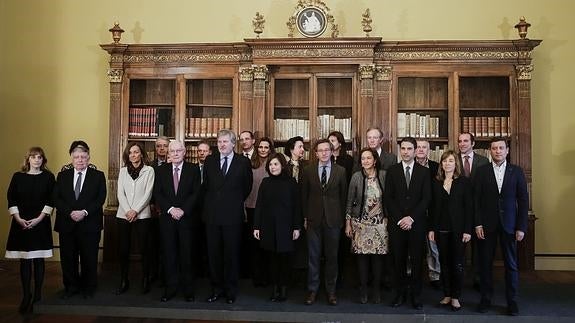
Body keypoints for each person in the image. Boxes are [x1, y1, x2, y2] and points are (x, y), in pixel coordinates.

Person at [474, 137, 528, 316]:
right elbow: (477, 201)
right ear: (490, 151)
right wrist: (478, 223)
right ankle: (485, 300)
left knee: (511, 265)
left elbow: (523, 200)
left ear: (507, 151)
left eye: (501, 148)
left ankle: (512, 302)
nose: (498, 151)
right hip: (487, 225)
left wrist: (521, 227)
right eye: (494, 148)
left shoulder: (517, 172)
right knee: (485, 265)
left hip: (510, 226)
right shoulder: (481, 172)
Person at [203, 129, 253, 304]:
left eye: (225, 142)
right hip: (212, 216)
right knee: (214, 254)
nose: (222, 145)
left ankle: (231, 290)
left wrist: (232, 200)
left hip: (233, 215)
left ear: (233, 143)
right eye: (219, 142)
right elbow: (206, 186)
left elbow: (247, 187)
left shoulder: (243, 162)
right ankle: (216, 289)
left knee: (231, 254)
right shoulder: (209, 161)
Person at [54, 140, 106, 299]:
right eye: (76, 156)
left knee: (89, 257)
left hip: (90, 224)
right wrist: (70, 212)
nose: (80, 160)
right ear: (71, 157)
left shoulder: (98, 176)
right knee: (68, 258)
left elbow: (100, 198)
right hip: (67, 223)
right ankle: (70, 287)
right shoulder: (62, 175)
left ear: (88, 157)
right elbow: (56, 198)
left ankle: (88, 287)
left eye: (83, 156)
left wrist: (84, 212)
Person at [5, 147, 55, 313]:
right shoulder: (17, 177)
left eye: (40, 157)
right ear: (28, 159)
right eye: (34, 157)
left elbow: (51, 199)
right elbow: (11, 197)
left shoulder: (49, 177)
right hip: (21, 223)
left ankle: (38, 295)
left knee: (39, 260)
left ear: (43, 160)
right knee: (24, 261)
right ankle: (26, 295)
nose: (37, 160)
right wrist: (18, 218)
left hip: (40, 223)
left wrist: (39, 219)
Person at [384, 137, 431, 310]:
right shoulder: (392, 170)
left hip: (416, 224)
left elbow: (426, 199)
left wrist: (411, 218)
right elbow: (388, 198)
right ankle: (399, 294)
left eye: (409, 149)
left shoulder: (424, 172)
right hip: (397, 225)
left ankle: (416, 296)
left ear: (415, 150)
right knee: (398, 261)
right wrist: (400, 219)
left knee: (417, 261)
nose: (405, 152)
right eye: (402, 148)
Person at [301, 139, 348, 306]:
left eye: (327, 150)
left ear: (332, 151)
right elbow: (303, 196)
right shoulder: (307, 170)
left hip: (333, 220)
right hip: (313, 219)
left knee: (332, 257)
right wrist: (305, 217)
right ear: (316, 153)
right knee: (313, 257)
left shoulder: (341, 171)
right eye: (320, 150)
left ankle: (331, 291)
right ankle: (312, 290)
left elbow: (344, 197)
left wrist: (342, 219)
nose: (324, 153)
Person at [153, 140, 200, 302]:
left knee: (187, 255)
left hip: (187, 219)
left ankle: (188, 290)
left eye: (178, 151)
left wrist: (183, 210)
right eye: (172, 151)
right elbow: (157, 193)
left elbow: (196, 193)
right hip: (167, 219)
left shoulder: (193, 170)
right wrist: (171, 209)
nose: (175, 153)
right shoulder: (160, 170)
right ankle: (170, 288)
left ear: (184, 152)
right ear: (168, 154)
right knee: (169, 254)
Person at [428, 150, 473, 311]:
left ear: (456, 164)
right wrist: (431, 228)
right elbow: (432, 208)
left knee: (457, 264)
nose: (447, 164)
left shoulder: (464, 182)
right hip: (440, 229)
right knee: (444, 263)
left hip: (459, 230)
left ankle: (455, 296)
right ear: (441, 164)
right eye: (445, 161)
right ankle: (446, 294)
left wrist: (468, 230)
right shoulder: (436, 182)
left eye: (451, 161)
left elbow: (469, 208)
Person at [253, 153, 301, 302]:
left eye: (276, 164)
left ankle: (284, 289)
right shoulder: (265, 182)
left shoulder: (291, 182)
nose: (273, 167)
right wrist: (257, 227)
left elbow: (297, 207)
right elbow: (259, 205)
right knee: (272, 259)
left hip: (286, 227)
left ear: (282, 165)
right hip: (268, 226)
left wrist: (297, 227)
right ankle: (275, 289)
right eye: (271, 165)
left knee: (285, 260)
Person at [344, 148, 388, 304]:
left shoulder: (383, 175)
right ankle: (363, 290)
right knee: (362, 259)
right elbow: (349, 201)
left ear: (375, 160)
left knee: (377, 260)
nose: (366, 161)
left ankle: (376, 290)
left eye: (369, 158)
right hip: (360, 224)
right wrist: (348, 223)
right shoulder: (356, 176)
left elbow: (389, 198)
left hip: (379, 224)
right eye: (363, 159)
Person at [114, 142, 155, 295]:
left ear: (142, 154)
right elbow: (120, 194)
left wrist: (135, 210)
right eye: (130, 152)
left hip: (142, 215)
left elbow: (148, 194)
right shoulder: (123, 171)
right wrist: (128, 211)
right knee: (123, 249)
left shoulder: (149, 171)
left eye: (136, 152)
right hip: (123, 215)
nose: (133, 155)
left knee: (145, 249)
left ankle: (145, 279)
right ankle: (124, 280)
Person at [458, 132, 490, 290]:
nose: (462, 144)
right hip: (460, 211)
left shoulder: (483, 161)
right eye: (460, 141)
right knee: (459, 249)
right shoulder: (453, 160)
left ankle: (478, 279)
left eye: (465, 141)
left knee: (479, 248)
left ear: (473, 143)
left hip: (478, 209)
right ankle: (459, 280)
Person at [243, 137, 274, 286]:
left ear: (270, 149)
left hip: (268, 209)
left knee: (266, 244)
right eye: (260, 147)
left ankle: (267, 275)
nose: (263, 150)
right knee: (253, 244)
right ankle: (255, 275)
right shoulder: (249, 164)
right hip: (251, 207)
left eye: (266, 147)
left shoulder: (274, 164)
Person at [415, 140, 441, 290]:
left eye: (424, 147)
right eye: (418, 147)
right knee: (412, 247)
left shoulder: (435, 167)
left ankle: (435, 275)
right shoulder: (408, 166)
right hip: (413, 213)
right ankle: (410, 273)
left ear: (429, 150)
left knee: (433, 247)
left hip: (431, 212)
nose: (420, 150)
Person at [284, 136, 308, 287]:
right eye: (300, 146)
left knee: (303, 244)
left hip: (304, 208)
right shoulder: (283, 166)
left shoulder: (308, 166)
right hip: (287, 209)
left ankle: (301, 277)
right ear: (292, 149)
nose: (303, 149)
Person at [149, 136, 170, 286]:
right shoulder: (150, 166)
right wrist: (152, 204)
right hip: (153, 211)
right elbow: (149, 189)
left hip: (170, 211)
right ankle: (154, 274)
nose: (161, 149)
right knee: (153, 245)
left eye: (164, 146)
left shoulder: (176, 164)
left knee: (167, 245)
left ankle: (166, 275)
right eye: (158, 146)